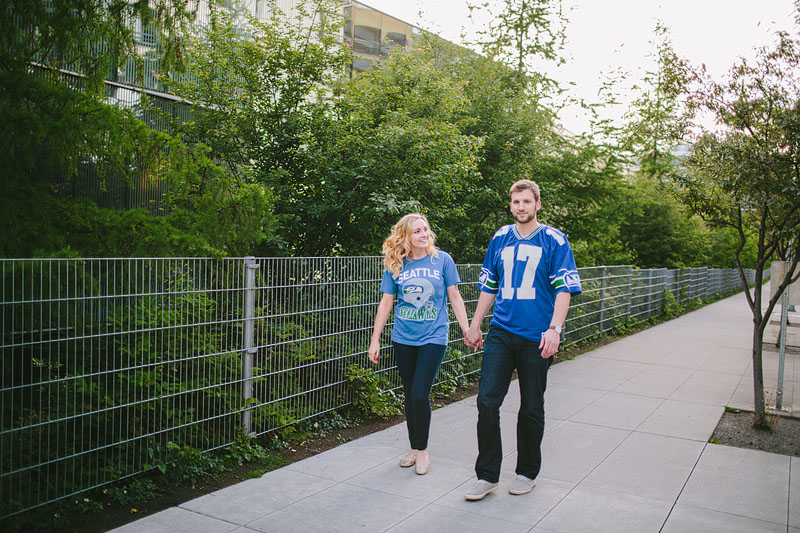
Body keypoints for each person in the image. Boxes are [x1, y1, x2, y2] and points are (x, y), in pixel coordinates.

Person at [463, 179, 582, 500]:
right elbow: (489, 286)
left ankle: (526, 471)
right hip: (502, 332)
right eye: (516, 202)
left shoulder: (554, 240)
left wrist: (555, 329)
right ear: (511, 204)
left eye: (527, 202)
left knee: (531, 407)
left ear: (537, 204)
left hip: (537, 336)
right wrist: (475, 325)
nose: (521, 207)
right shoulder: (500, 238)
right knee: (487, 402)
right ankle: (487, 475)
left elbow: (564, 289)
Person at [368, 213, 470, 476]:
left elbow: (455, 296)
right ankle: (414, 447)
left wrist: (467, 329)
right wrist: (375, 339)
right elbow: (386, 302)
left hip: (433, 336)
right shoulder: (396, 264)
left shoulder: (442, 260)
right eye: (417, 231)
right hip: (403, 337)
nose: (424, 234)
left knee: (419, 394)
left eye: (425, 230)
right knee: (409, 393)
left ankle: (422, 450)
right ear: (406, 237)